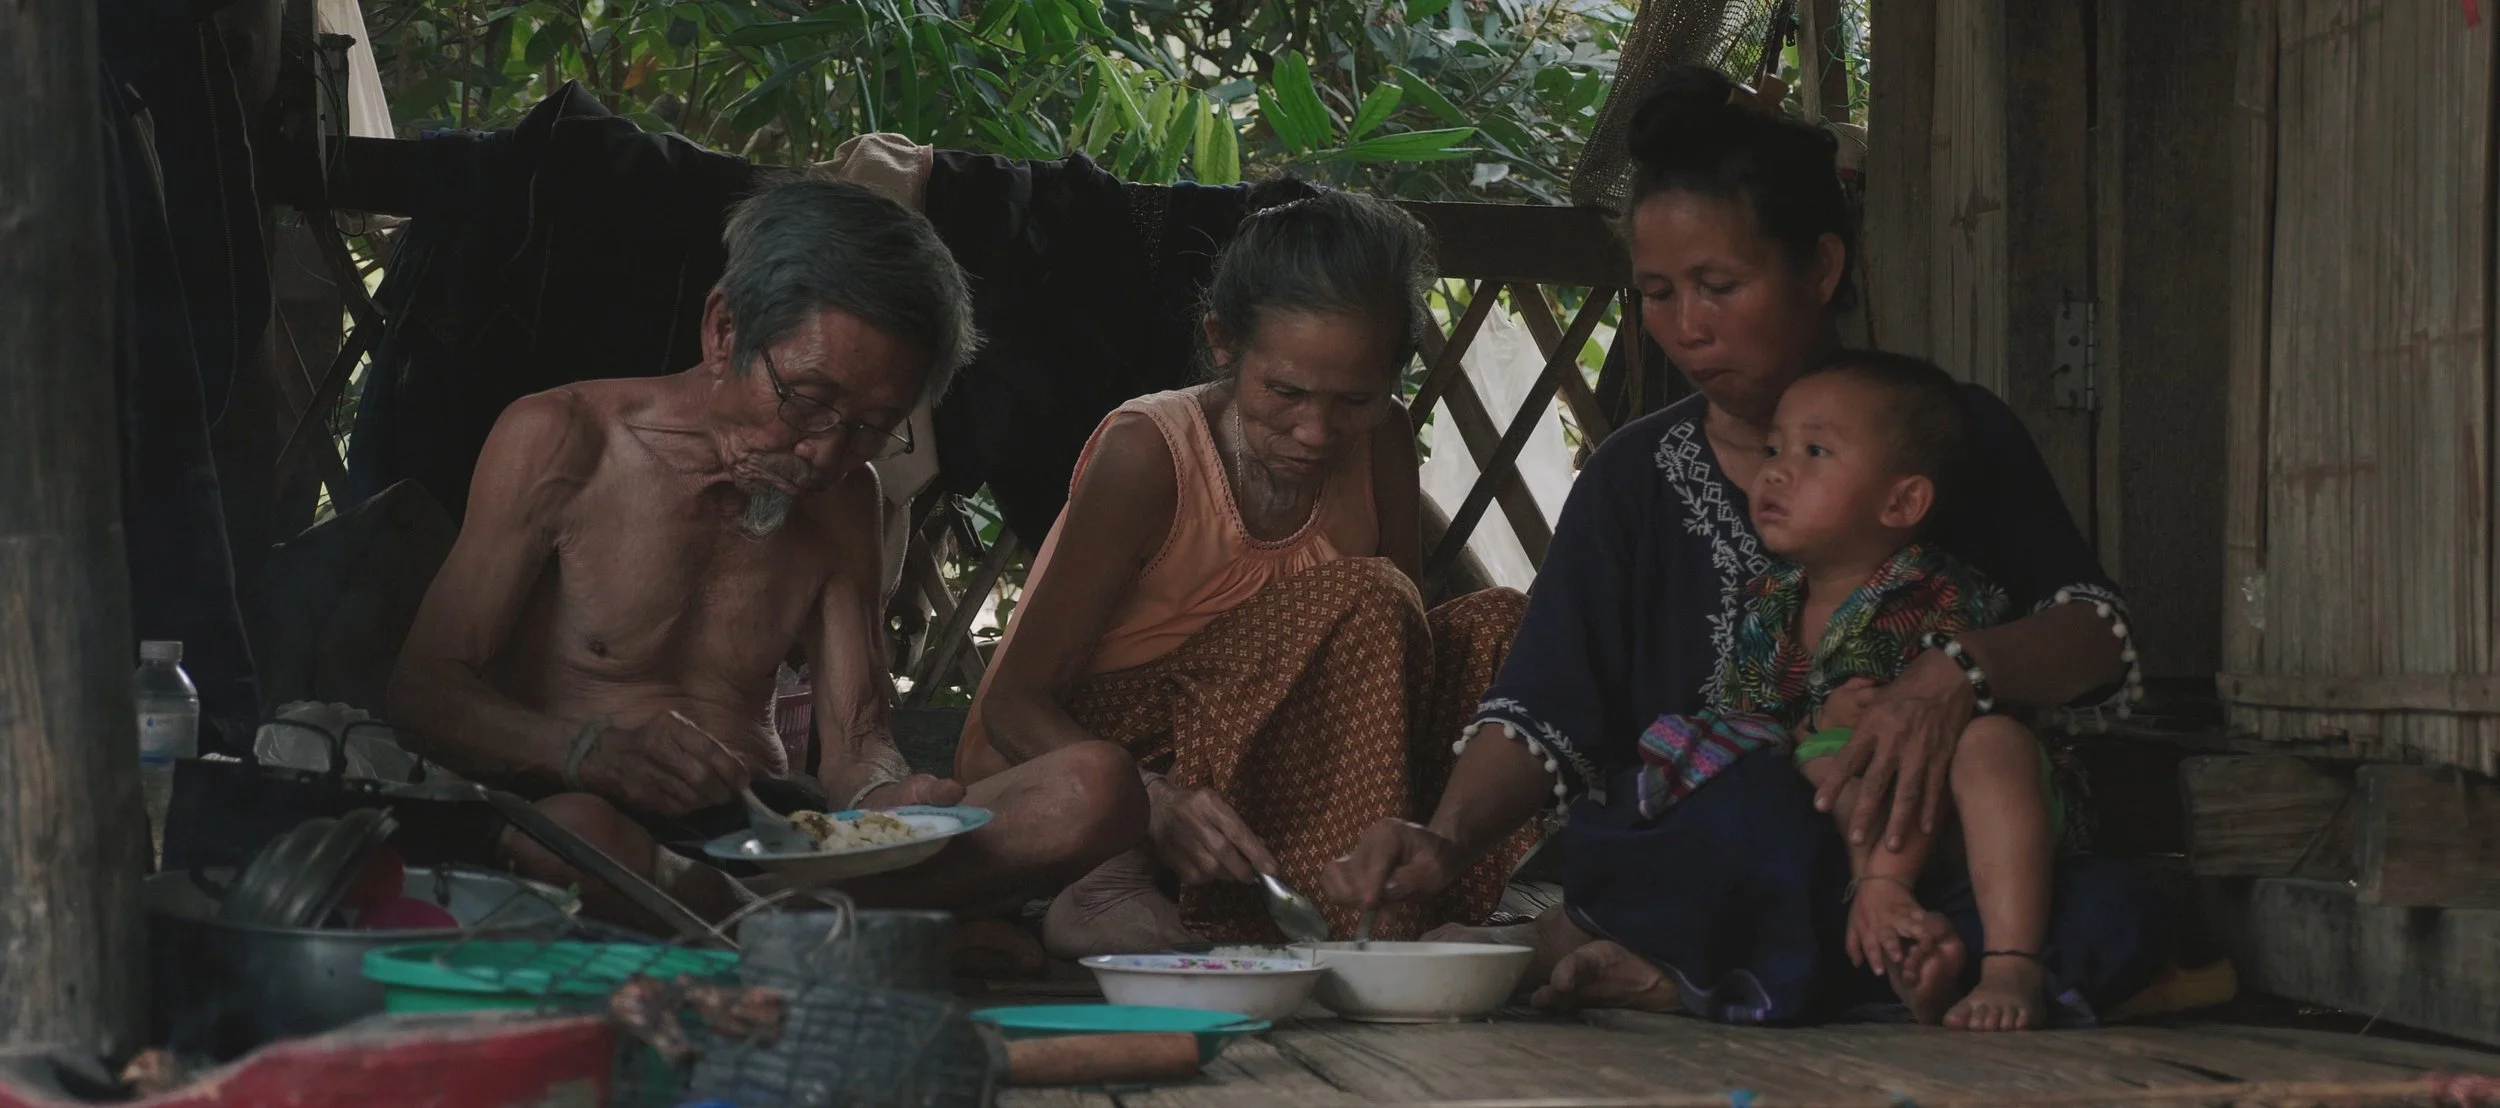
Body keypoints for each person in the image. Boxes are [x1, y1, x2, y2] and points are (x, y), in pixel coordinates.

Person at [1322, 67, 2167, 1027]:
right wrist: (1443, 839)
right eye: (1657, 293)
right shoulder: (1632, 480)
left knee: (2110, 907)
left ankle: (1696, 972)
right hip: (1736, 846)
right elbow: (1541, 712)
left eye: (1720, 286)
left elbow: (2097, 636)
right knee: (1728, 819)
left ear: (1820, 268)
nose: (1688, 327)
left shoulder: (1948, 436)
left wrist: (1958, 673)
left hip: (1929, 858)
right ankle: (1785, 969)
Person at [388, 178, 1147, 931]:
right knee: (569, 837)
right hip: (594, 816)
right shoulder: (564, 440)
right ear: (724, 330)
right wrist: (585, 749)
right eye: (808, 400)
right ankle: (849, 928)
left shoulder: (849, 496)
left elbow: (856, 740)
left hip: (773, 837)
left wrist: (887, 805)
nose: (822, 453)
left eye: (871, 426)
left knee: (1098, 787)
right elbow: (425, 690)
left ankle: (765, 923)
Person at [957, 190, 1535, 955]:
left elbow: (1406, 664)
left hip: (1279, 752)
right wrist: (1151, 798)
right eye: (1285, 393)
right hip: (1102, 766)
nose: (1315, 431)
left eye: (1354, 400)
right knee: (1366, 597)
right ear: (1223, 343)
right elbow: (1012, 710)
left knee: (1498, 623)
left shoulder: (1385, 438)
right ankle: (1330, 928)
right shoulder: (1150, 453)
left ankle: (1392, 892)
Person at [1631, 352, 2061, 1031]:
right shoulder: (1767, 606)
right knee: (1773, 776)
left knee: (1990, 744)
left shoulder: (1944, 590)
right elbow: (1748, 727)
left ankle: (2011, 964)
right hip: (1836, 829)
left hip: (1958, 817)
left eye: (1815, 450)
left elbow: (1953, 710)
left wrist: (1875, 715)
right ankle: (1907, 961)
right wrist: (1810, 729)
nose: (1776, 469)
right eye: (1774, 448)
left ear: (1901, 502)